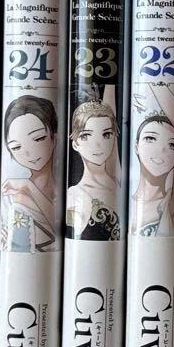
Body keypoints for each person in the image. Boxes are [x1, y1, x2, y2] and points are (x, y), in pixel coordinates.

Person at [1, 95, 60, 252]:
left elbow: (60, 230)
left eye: (38, 138)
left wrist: (29, 187)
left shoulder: (68, 191)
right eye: (16, 147)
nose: (28, 153)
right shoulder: (8, 196)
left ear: (54, 138)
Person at [66, 98, 121, 241]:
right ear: (75, 144)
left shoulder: (120, 182)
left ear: (114, 138)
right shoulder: (74, 195)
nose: (97, 144)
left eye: (106, 135)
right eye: (86, 136)